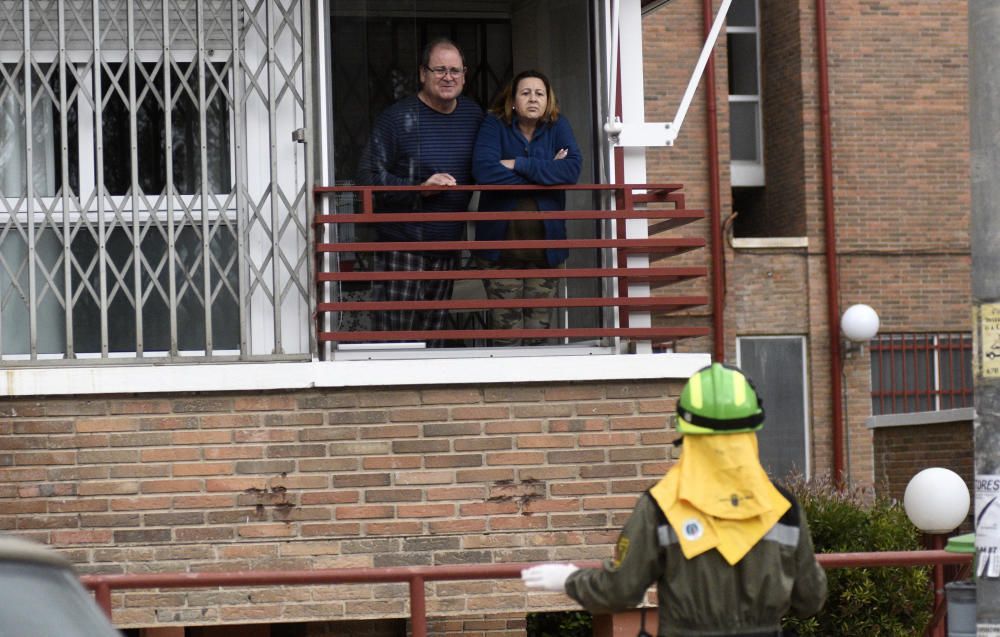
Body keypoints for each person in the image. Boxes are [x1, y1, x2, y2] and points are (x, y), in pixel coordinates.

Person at [522, 363, 827, 637]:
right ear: (752, 428)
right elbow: (809, 599)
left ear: (685, 429)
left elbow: (620, 592)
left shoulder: (662, 506)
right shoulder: (782, 507)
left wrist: (569, 580)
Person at [356, 38, 484, 340]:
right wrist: (417, 189)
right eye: (439, 69)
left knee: (434, 344)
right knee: (395, 343)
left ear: (465, 75)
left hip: (447, 250)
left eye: (455, 70)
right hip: (401, 250)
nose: (448, 77)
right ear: (422, 73)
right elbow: (367, 177)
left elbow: (491, 160)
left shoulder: (474, 116)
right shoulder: (397, 119)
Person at [472, 69, 582, 346]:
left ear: (548, 100)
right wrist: (547, 170)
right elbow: (484, 171)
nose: (533, 98)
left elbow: (571, 170)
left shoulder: (558, 126)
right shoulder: (494, 124)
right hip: (500, 252)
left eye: (539, 93)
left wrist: (518, 164)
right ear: (512, 100)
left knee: (538, 337)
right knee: (505, 338)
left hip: (544, 254)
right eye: (525, 93)